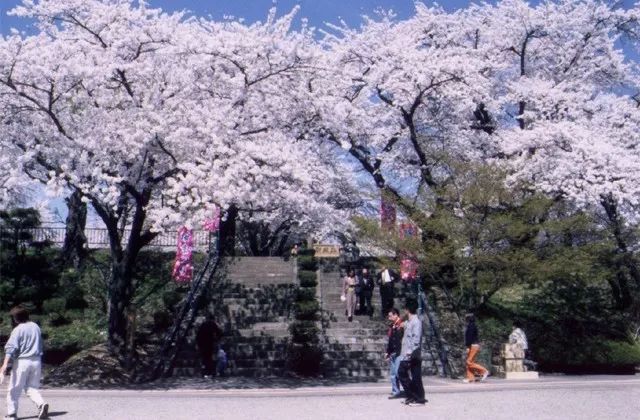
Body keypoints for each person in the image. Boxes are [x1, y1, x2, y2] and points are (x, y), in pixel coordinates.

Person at [0, 306, 49, 420]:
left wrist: (5, 364)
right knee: (32, 388)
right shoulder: (36, 327)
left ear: (16, 318)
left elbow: (11, 348)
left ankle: (12, 414)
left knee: (14, 389)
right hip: (36, 361)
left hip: (23, 362)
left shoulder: (18, 329)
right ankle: (41, 404)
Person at [397, 299, 427, 406]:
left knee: (413, 375)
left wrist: (409, 352)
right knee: (406, 374)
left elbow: (416, 339)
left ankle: (419, 398)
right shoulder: (409, 321)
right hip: (406, 353)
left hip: (413, 354)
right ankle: (412, 396)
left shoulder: (416, 322)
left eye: (405, 309)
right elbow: (404, 324)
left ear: (407, 310)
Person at [463, 313, 489, 383]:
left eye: (466, 318)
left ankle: (484, 371)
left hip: (473, 345)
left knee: (469, 362)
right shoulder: (472, 325)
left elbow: (469, 337)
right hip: (473, 345)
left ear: (469, 319)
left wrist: (468, 346)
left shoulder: (471, 326)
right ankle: (470, 378)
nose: (465, 320)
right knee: (470, 362)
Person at [385, 308, 404, 399]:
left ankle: (408, 390)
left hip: (399, 352)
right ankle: (395, 391)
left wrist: (396, 328)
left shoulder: (401, 324)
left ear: (396, 315)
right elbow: (390, 340)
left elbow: (399, 339)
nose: (389, 318)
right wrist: (387, 352)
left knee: (398, 373)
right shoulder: (393, 325)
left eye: (390, 316)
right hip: (392, 352)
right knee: (393, 374)